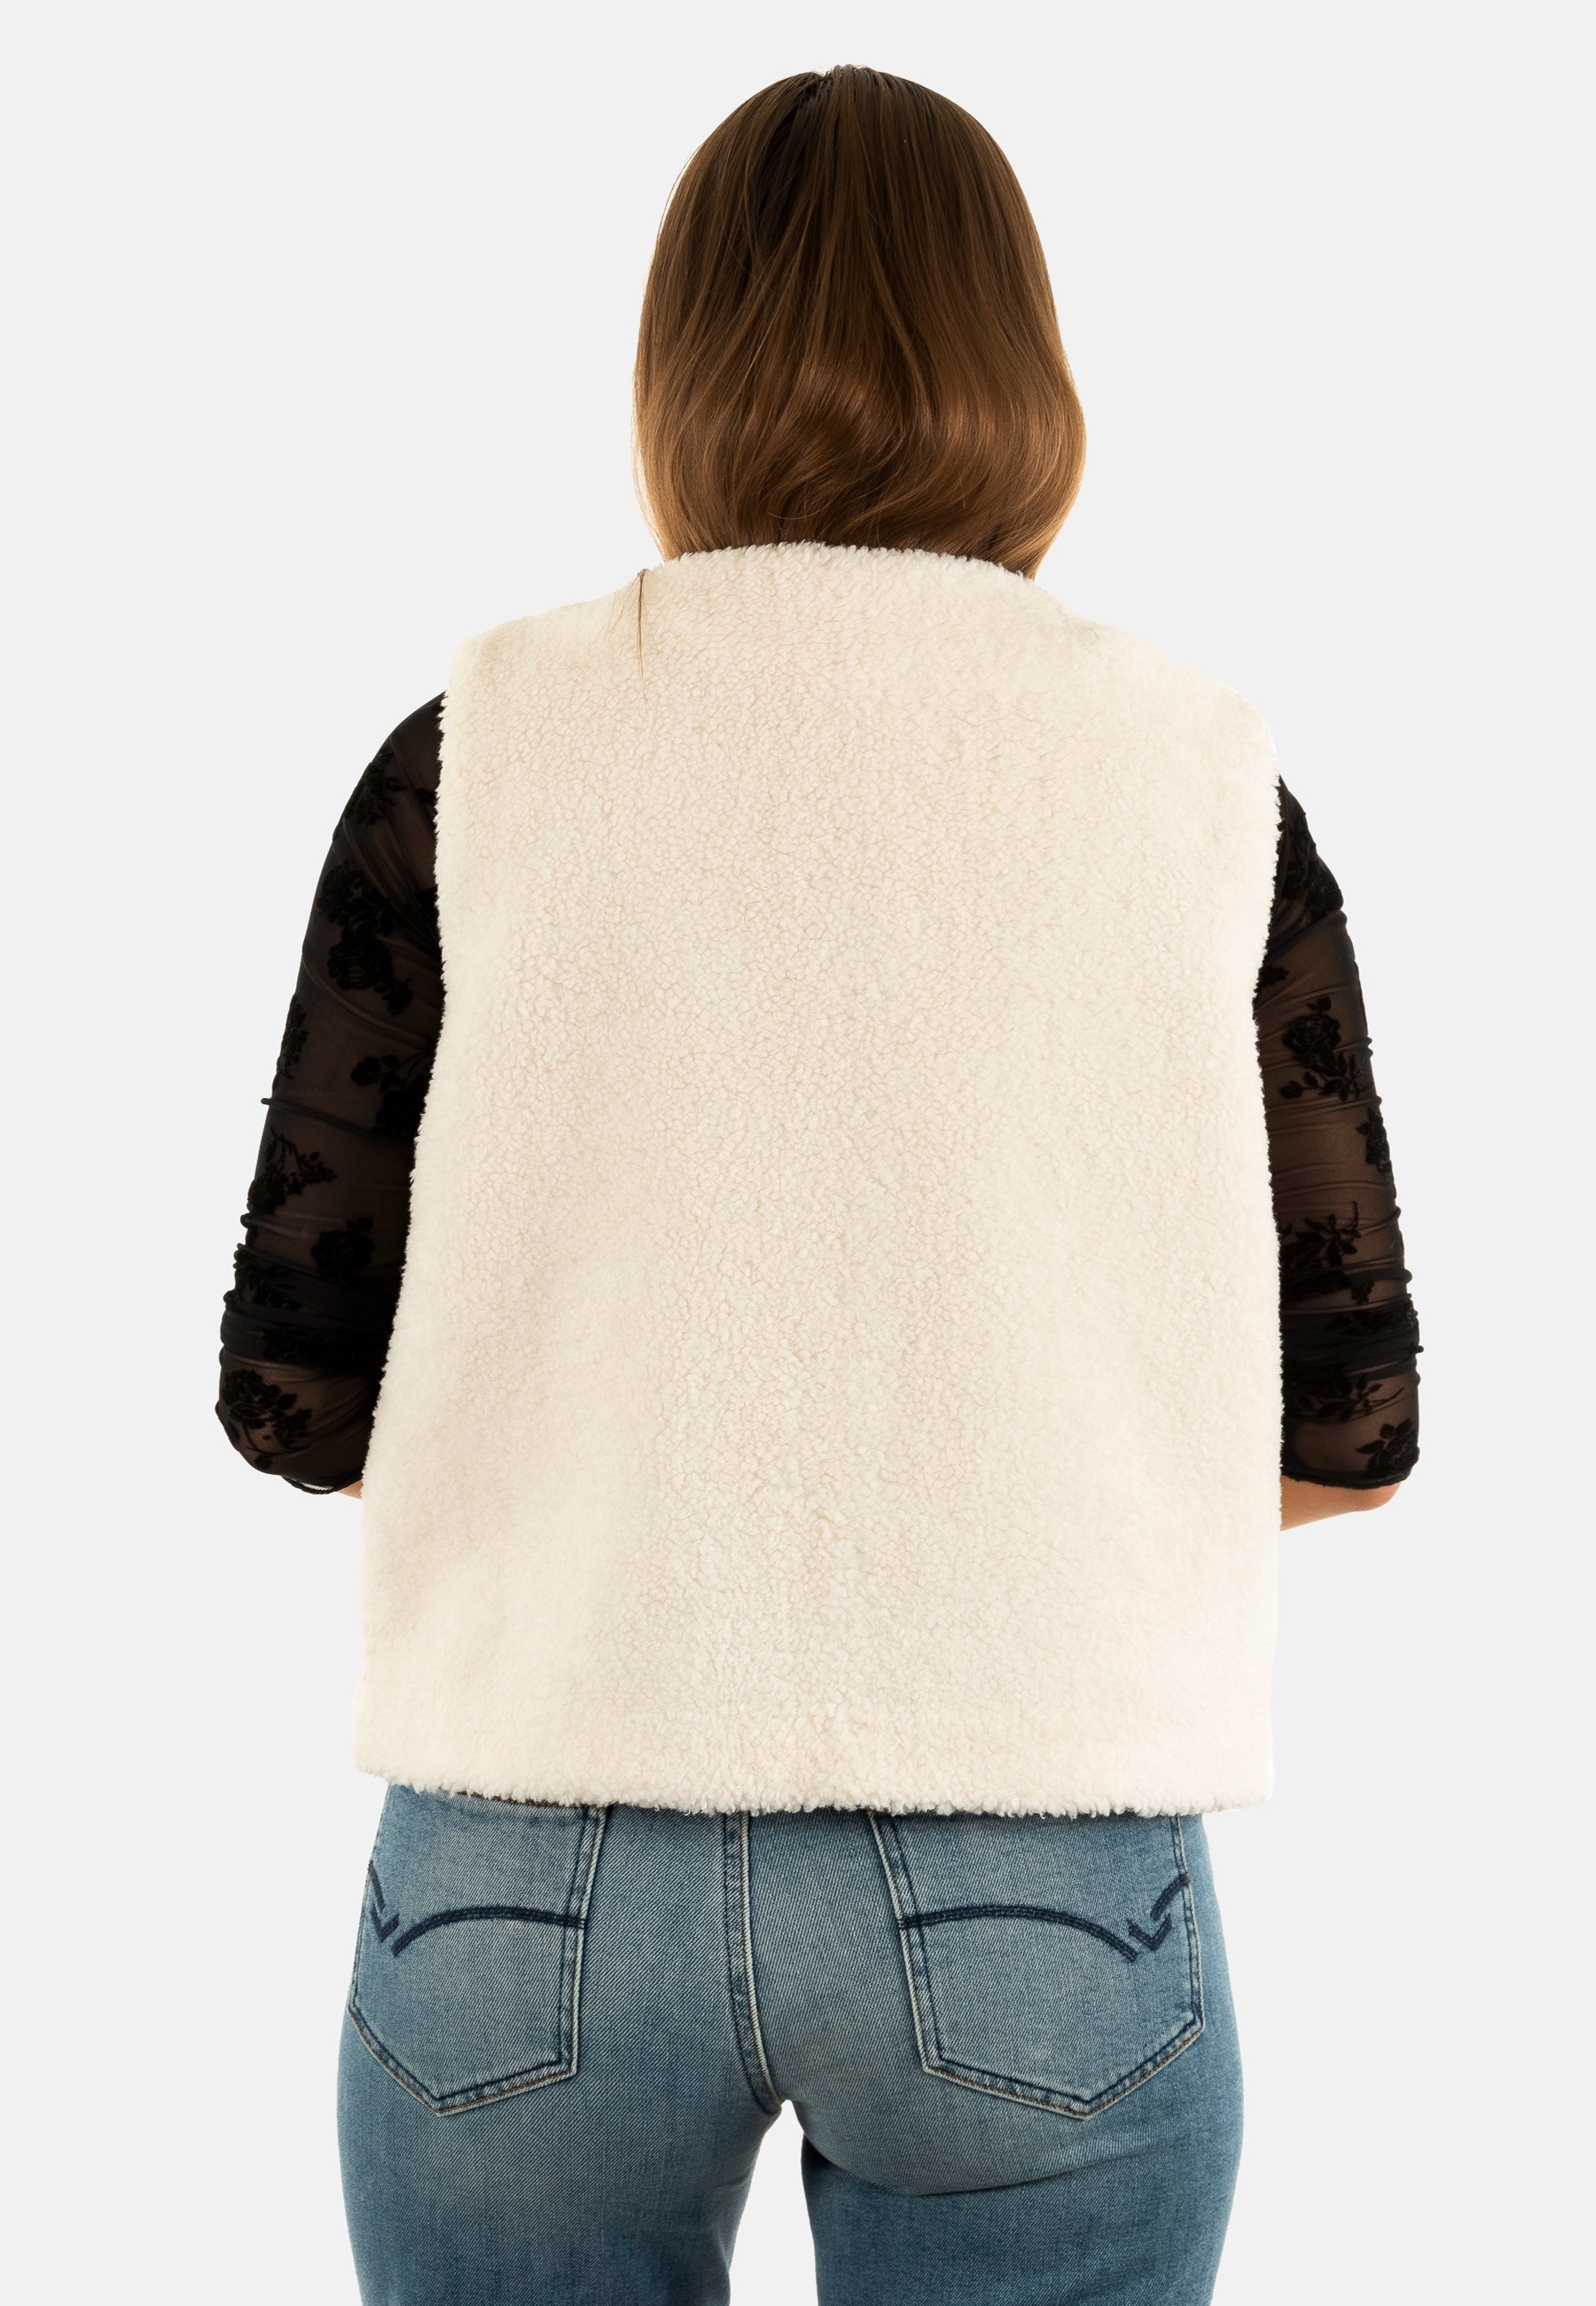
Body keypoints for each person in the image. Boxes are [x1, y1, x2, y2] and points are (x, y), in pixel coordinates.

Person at [218, 66, 1420, 2306]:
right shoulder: (1204, 778)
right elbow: (1351, 1429)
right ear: (1027, 367)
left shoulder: (471, 753)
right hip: (1039, 1876)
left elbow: (293, 1397)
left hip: (525, 1878)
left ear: (673, 369)